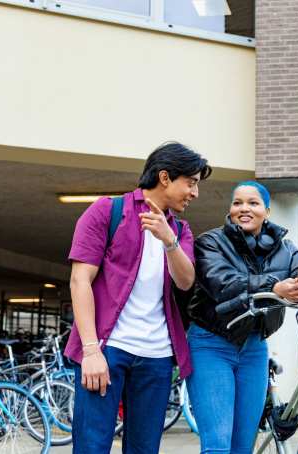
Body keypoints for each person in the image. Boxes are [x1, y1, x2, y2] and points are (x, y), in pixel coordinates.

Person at [65, 142, 211, 454]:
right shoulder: (107, 211)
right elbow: (80, 281)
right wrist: (91, 351)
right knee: (91, 446)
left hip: (157, 356)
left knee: (144, 449)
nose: (195, 193)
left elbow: (185, 282)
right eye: (192, 182)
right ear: (165, 177)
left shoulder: (180, 230)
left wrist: (169, 241)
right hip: (106, 350)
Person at [187, 181, 298, 454]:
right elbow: (222, 283)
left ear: (267, 211)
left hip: (254, 349)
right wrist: (274, 287)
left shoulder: (288, 249)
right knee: (218, 445)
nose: (244, 208)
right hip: (211, 344)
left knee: (243, 445)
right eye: (237, 203)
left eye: (253, 203)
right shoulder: (210, 243)